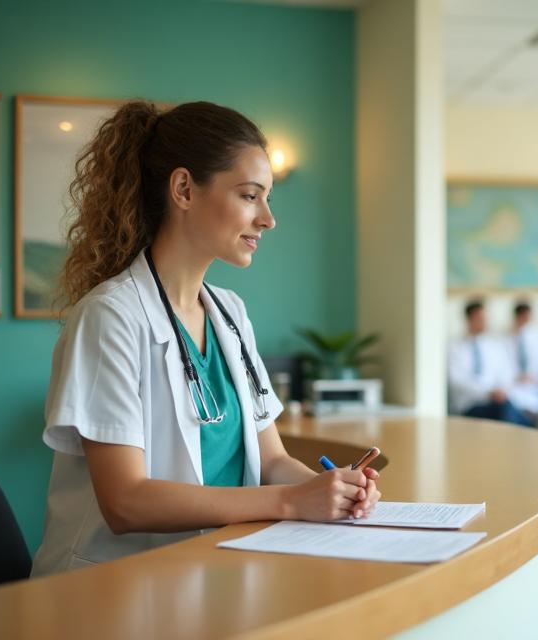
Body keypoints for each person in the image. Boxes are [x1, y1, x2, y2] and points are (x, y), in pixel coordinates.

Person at [31, 101, 380, 576]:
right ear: (183, 189)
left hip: (214, 569)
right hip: (114, 584)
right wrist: (290, 502)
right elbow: (126, 502)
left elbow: (272, 459)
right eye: (250, 196)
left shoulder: (229, 313)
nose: (267, 220)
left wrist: (332, 489)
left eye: (267, 199)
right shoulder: (110, 317)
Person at [448, 301, 531, 426]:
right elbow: (457, 381)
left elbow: (506, 375)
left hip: (498, 401)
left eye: (486, 318)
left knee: (511, 409)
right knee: (511, 413)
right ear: (469, 320)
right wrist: (487, 392)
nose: (485, 322)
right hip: (470, 404)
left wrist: (501, 390)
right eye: (480, 318)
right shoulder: (455, 348)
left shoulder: (494, 347)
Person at [505, 302, 538, 423]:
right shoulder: (505, 340)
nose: (525, 322)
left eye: (527, 318)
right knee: (512, 408)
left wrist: (535, 378)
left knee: (531, 407)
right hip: (513, 387)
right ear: (516, 318)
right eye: (522, 318)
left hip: (534, 386)